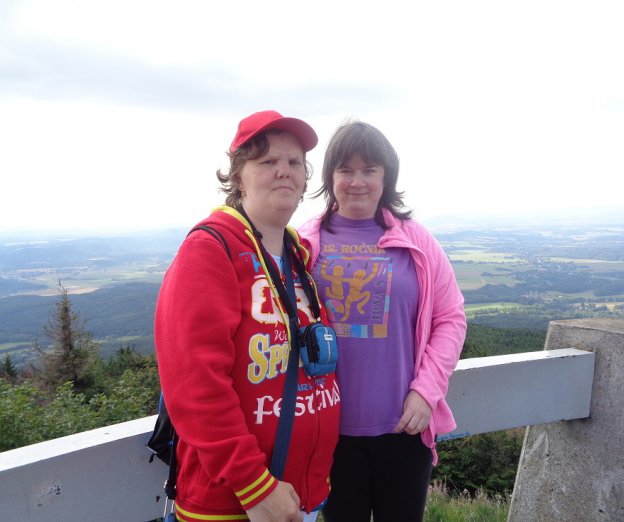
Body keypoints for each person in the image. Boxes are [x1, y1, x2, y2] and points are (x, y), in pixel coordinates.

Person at [155, 110, 340, 522]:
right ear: (239, 176)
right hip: (237, 504)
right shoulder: (210, 249)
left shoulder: (297, 255)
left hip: (302, 498)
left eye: (294, 162)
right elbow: (195, 385)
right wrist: (255, 487)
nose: (284, 171)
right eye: (268, 161)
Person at [298, 120, 467, 522]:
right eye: (346, 170)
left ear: (386, 177)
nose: (357, 181)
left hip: (404, 428)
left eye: (369, 170)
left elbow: (450, 318)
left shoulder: (416, 240)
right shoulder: (304, 242)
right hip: (328, 432)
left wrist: (426, 391)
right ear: (330, 177)